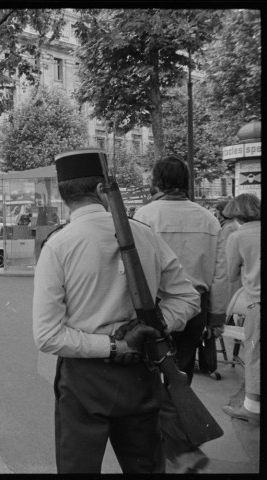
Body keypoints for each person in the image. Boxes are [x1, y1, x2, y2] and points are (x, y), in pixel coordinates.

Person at [33, 149, 201, 474]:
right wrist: (153, 326)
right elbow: (187, 299)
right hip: (141, 373)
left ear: (63, 194)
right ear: (101, 190)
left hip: (84, 380)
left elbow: (48, 335)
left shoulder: (58, 245)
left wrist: (116, 344)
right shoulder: (145, 234)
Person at [133, 155, 228, 471]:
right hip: (196, 308)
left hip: (156, 309)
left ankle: (173, 443)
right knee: (181, 373)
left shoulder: (145, 215)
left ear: (156, 182)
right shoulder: (209, 219)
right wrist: (216, 318)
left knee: (149, 376)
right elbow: (221, 274)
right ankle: (180, 438)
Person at [221, 194, 260, 425]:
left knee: (254, 354)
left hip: (257, 301)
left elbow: (232, 273)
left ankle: (252, 409)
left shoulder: (238, 236)